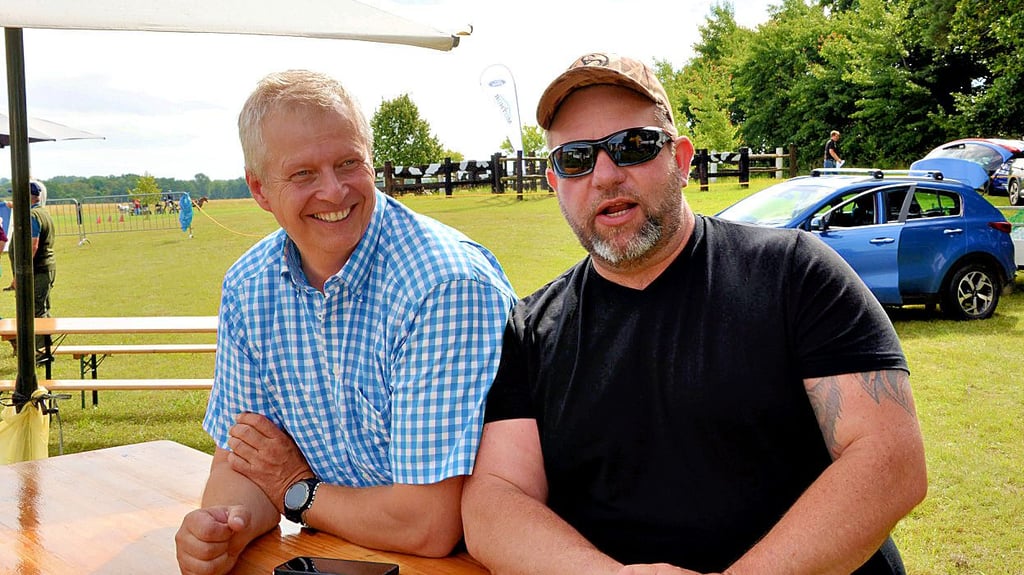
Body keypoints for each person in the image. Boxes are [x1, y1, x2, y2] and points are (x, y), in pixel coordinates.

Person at [461, 53, 927, 575]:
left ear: (681, 161)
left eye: (633, 146)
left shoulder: (795, 273)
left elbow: (889, 458)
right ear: (555, 182)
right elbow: (495, 501)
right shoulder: (531, 330)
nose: (605, 175)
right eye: (576, 158)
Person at [175, 70, 517, 575]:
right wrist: (225, 526)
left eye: (348, 163)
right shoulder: (249, 287)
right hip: (342, 555)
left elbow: (426, 524)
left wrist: (296, 489)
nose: (334, 192)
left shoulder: (442, 285)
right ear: (259, 189)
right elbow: (244, 459)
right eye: (303, 174)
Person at [6, 181, 56, 355]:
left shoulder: (32, 215)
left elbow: (32, 246)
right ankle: (45, 349)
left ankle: (41, 353)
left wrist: (20, 274)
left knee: (35, 310)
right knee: (41, 309)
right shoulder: (39, 212)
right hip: (42, 269)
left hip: (37, 270)